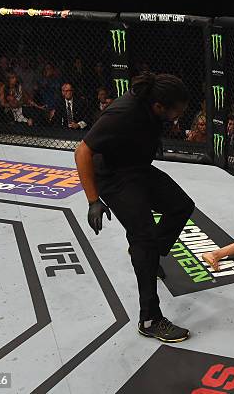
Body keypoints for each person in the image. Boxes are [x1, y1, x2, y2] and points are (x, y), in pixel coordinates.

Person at [74, 71, 195, 343]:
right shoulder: (123, 113)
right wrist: (93, 201)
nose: (180, 114)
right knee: (144, 237)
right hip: (113, 178)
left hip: (137, 168)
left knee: (181, 206)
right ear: (158, 106)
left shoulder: (153, 104)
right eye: (177, 110)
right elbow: (82, 151)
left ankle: (147, 255)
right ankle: (150, 319)